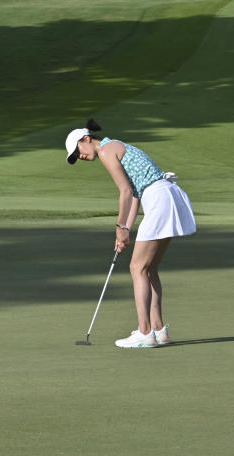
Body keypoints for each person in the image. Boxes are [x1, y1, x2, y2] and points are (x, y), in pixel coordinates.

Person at [65, 119, 196, 348]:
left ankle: (145, 332)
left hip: (158, 199)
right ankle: (158, 329)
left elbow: (124, 191)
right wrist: (126, 228)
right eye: (76, 157)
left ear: (86, 139)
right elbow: (135, 195)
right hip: (164, 197)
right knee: (149, 268)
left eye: (78, 151)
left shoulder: (106, 151)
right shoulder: (116, 145)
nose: (81, 157)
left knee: (137, 268)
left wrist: (120, 229)